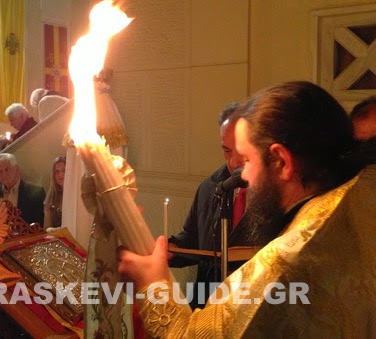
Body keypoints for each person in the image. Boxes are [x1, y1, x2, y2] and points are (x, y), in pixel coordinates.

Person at [118, 81, 376, 337]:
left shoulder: (285, 262)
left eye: (249, 159)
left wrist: (151, 284)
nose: (245, 176)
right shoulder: (362, 192)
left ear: (281, 161)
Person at [168, 102, 250, 308]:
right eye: (227, 151)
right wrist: (170, 250)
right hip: (208, 302)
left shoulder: (278, 195)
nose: (233, 162)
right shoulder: (211, 186)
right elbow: (194, 239)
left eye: (241, 150)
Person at [0, 153, 45, 225]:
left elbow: (40, 224)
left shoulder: (36, 192)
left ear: (16, 169)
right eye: (0, 172)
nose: (4, 174)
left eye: (7, 169)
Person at [44, 156, 66, 229]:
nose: (60, 175)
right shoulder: (51, 197)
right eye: (57, 171)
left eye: (64, 170)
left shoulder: (76, 196)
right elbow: (46, 228)